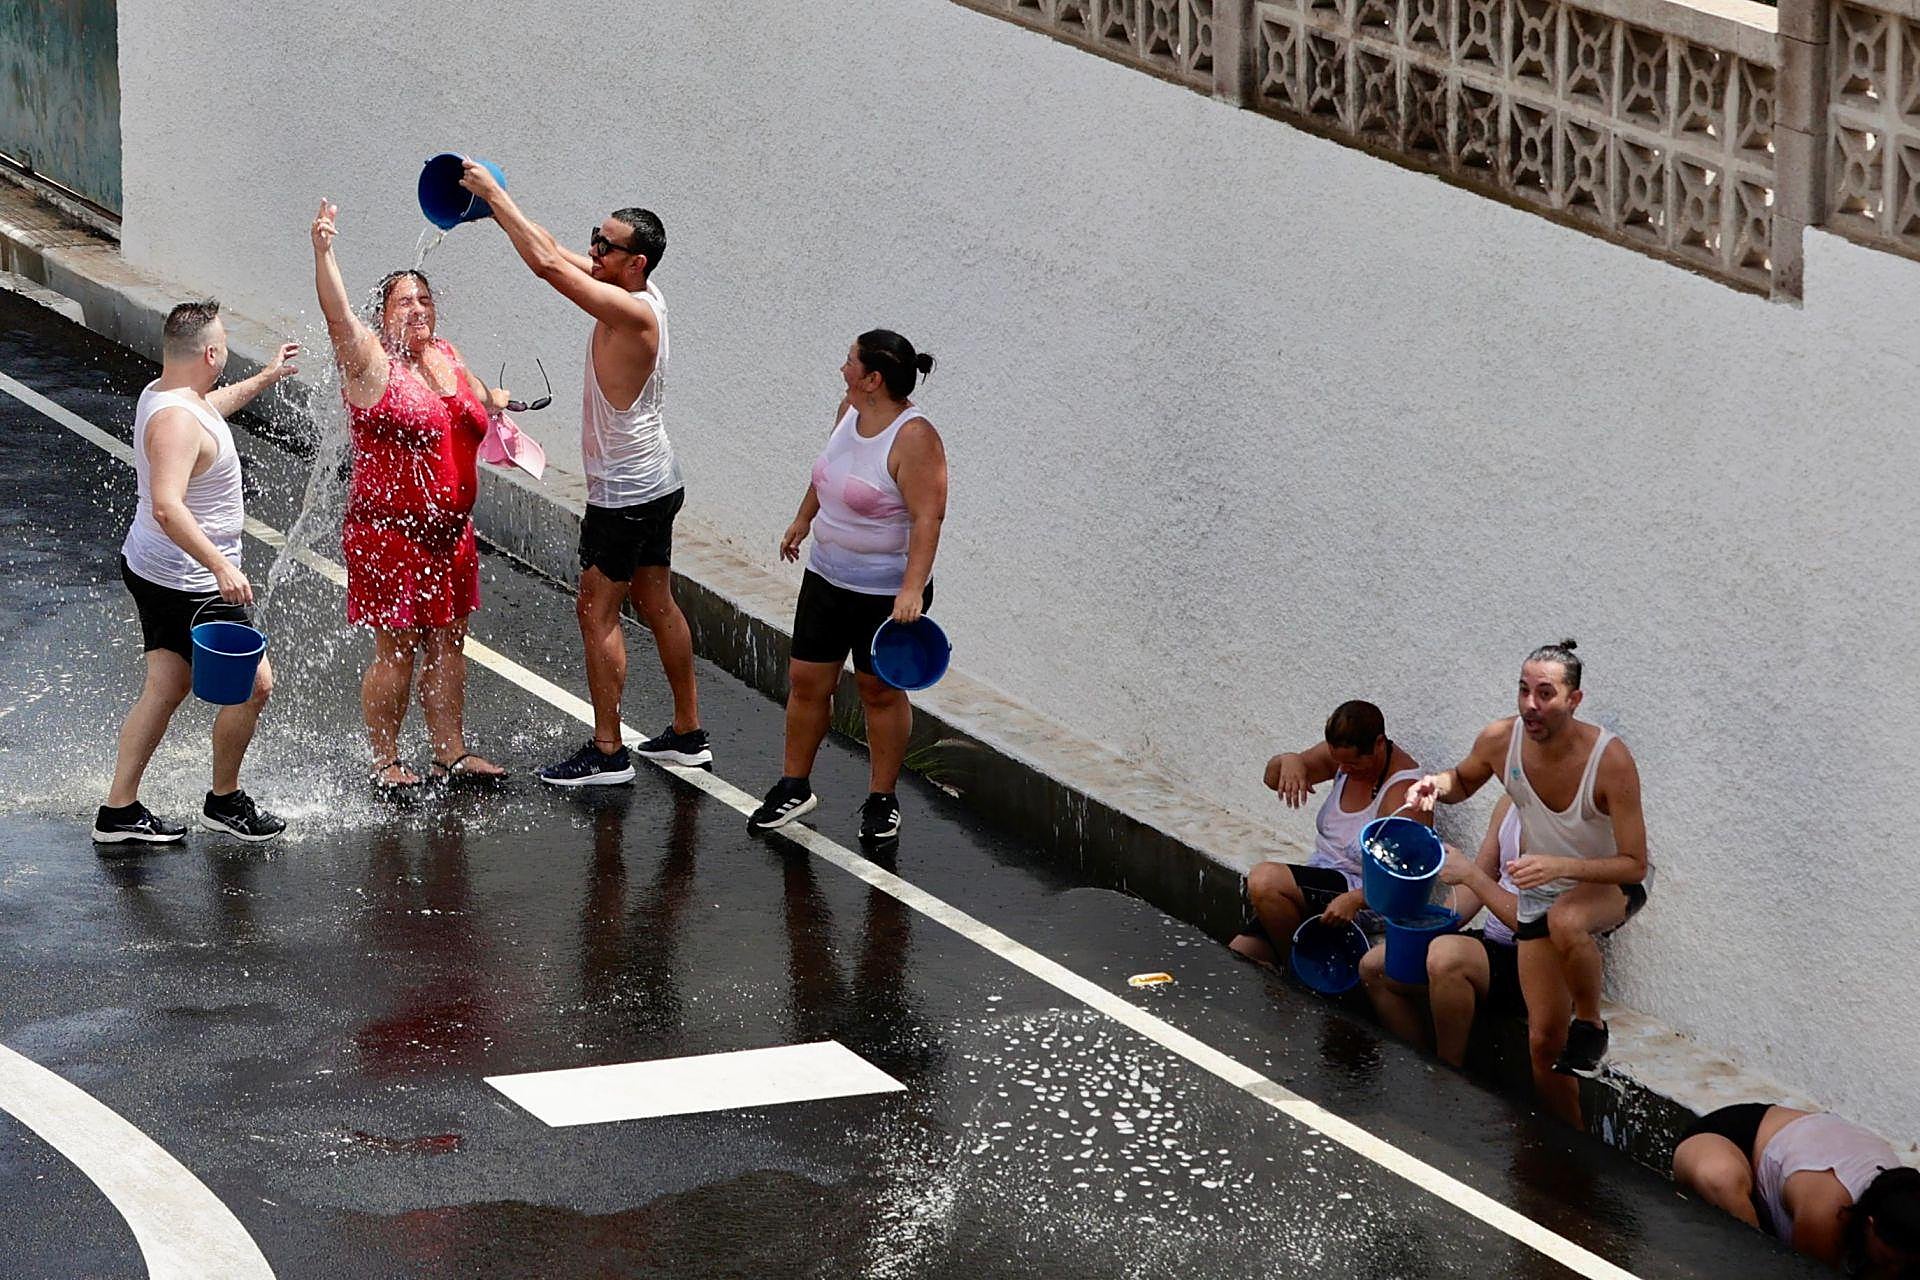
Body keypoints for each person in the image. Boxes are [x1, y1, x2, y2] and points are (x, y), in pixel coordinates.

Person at [456, 163, 708, 784]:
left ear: (637, 263)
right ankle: (687, 733)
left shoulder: (635, 316)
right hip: (656, 482)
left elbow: (545, 267)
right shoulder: (635, 292)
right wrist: (499, 208)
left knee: (596, 611)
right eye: (593, 239)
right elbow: (550, 247)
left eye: (605, 245)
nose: (592, 251)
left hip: (625, 497)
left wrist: (495, 195)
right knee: (656, 600)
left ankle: (607, 752)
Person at [1405, 639, 1650, 1123]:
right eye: (1523, 691)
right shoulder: (1501, 739)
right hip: (1543, 895)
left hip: (1606, 887)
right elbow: (1462, 780)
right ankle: (1563, 1151)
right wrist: (1434, 785)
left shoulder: (1610, 760)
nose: (1530, 706)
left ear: (1573, 700)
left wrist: (1562, 866)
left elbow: (1635, 864)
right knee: (1542, 1044)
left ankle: (1591, 1024)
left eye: (1545, 694)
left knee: (1568, 917)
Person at [310, 200, 506, 788]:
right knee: (396, 650)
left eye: (425, 299)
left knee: (449, 644)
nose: (418, 308)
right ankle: (387, 762)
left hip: (452, 535)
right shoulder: (371, 364)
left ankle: (450, 752)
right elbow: (338, 316)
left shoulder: (445, 354)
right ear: (382, 315)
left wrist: (497, 402)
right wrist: (324, 251)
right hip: (389, 535)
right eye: (404, 302)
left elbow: (473, 403)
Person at [93, 300, 295, 846]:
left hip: (158, 569)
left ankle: (119, 811)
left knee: (165, 686)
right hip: (189, 582)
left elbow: (213, 409)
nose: (226, 348)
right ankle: (224, 801)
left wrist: (266, 376)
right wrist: (221, 565)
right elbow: (167, 505)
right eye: (224, 341)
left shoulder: (173, 394)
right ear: (210, 352)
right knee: (255, 685)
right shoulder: (176, 421)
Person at [747, 332, 948, 842]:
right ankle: (794, 786)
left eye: (850, 361)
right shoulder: (849, 410)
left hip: (885, 592)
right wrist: (802, 520)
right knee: (807, 682)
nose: (842, 367)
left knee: (878, 692)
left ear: (873, 378)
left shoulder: (915, 438)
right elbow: (827, 473)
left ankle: (882, 799)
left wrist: (911, 589)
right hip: (827, 577)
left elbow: (928, 519)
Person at [1228, 701, 1425, 967]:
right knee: (1239, 953)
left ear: (1379, 744)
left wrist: (1355, 899)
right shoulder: (1343, 759)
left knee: (1265, 880)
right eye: (1338, 761)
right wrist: (1289, 760)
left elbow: (1406, 881)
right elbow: (1272, 779)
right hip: (1321, 882)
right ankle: (1296, 963)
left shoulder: (1405, 792)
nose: (1343, 770)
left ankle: (1300, 970)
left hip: (1364, 894)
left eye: (1353, 764)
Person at [1359, 796, 1527, 1069]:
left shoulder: (1563, 828)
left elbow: (1533, 925)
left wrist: (1471, 875)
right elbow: (1483, 876)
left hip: (1535, 962)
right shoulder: (1509, 803)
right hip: (1492, 945)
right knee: (1376, 966)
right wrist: (1425, 928)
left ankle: (1448, 1071)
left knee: (1445, 955)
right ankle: (1421, 1061)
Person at [1673, 1104, 1920, 1276]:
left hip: (1799, 1172)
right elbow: (1800, 1274)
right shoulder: (1825, 1215)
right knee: (1719, 1178)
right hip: (1732, 1140)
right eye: (1889, 1261)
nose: (1894, 1270)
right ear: (1870, 1224)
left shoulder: (1903, 1204)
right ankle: (1752, 1259)